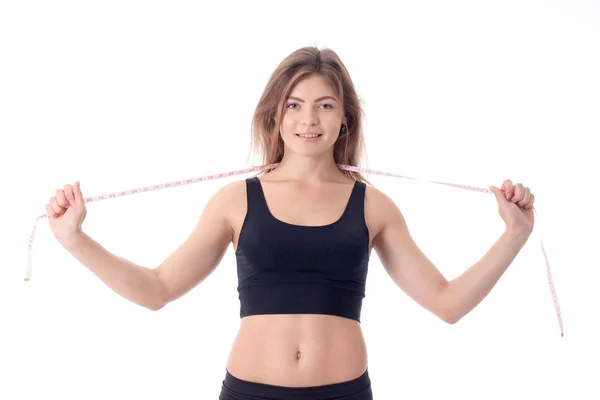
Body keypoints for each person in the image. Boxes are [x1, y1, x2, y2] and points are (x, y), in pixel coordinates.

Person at [45, 46, 536, 400]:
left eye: (325, 104)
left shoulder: (374, 206)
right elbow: (157, 289)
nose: (309, 119)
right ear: (275, 116)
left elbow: (446, 303)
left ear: (344, 117)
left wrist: (514, 235)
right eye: (294, 105)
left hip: (343, 393)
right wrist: (76, 240)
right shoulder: (234, 201)